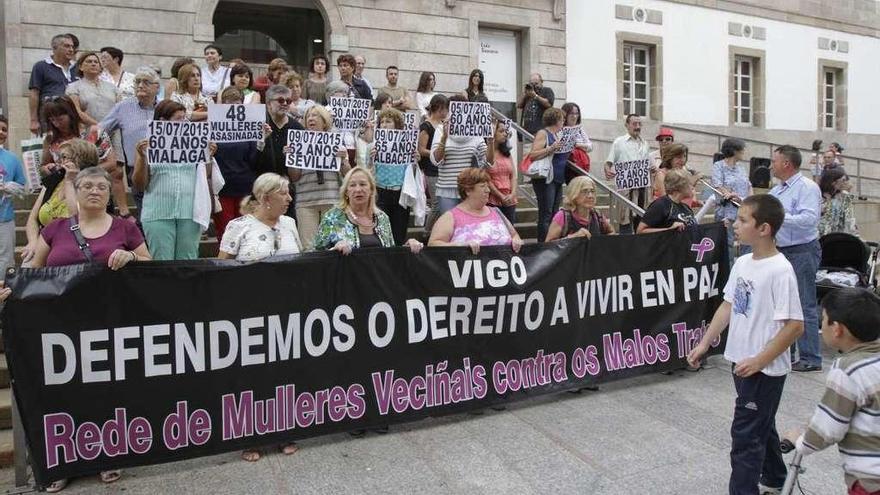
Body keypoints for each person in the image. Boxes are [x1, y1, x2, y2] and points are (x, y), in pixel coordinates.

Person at [26, 167, 148, 492]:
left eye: (101, 186)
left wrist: (131, 257)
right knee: (63, 392)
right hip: (60, 325)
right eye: (87, 186)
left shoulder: (126, 227)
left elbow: (151, 264)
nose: (94, 190)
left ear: (110, 194)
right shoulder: (54, 229)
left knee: (107, 389)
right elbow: (32, 271)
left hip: (109, 323)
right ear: (75, 192)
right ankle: (64, 459)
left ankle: (108, 452)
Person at [687, 194, 804, 495]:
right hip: (741, 363)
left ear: (763, 228)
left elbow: (794, 326)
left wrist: (760, 361)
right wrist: (704, 343)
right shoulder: (742, 263)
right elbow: (727, 306)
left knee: (745, 437)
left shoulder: (781, 270)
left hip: (762, 370)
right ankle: (777, 478)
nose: (735, 225)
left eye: (742, 220)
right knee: (760, 425)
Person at [783, 288, 880, 495]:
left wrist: (799, 440)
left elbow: (827, 429)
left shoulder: (847, 369)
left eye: (823, 318)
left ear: (837, 329)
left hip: (870, 481)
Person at [132, 101, 217, 260]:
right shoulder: (147, 145)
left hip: (189, 213)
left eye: (185, 118)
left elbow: (204, 177)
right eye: (179, 119)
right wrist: (142, 158)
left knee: (188, 261)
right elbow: (139, 184)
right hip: (158, 213)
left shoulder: (195, 143)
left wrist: (208, 156)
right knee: (162, 262)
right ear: (163, 122)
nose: (184, 123)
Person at [768, 145, 822, 373]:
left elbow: (809, 219)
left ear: (786, 164)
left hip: (802, 250)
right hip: (781, 251)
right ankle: (785, 352)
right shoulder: (776, 191)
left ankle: (811, 357)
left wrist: (779, 216)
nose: (771, 165)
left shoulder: (807, 188)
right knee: (781, 304)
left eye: (774, 161)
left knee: (804, 303)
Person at [22, 139, 99, 264]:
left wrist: (70, 181)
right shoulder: (54, 181)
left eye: (64, 157)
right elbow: (32, 219)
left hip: (75, 245)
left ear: (80, 159)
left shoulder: (92, 185)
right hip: (45, 244)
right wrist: (33, 242)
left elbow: (78, 218)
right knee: (27, 266)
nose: (59, 161)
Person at [99, 66, 161, 220]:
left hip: (164, 169)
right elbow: (100, 130)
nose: (140, 85)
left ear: (157, 87)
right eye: (137, 82)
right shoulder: (123, 107)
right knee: (145, 214)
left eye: (146, 82)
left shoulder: (166, 107)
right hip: (137, 168)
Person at [313, 167, 423, 253]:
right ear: (346, 192)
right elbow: (316, 255)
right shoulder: (332, 218)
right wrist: (334, 250)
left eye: (363, 184)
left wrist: (407, 247)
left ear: (371, 189)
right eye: (352, 185)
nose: (358, 189)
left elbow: (390, 255)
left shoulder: (382, 218)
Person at [290, 105, 352, 250]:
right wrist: (291, 157)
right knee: (308, 248)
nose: (311, 118)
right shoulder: (298, 142)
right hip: (306, 202)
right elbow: (294, 177)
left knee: (335, 245)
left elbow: (347, 175)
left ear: (324, 121)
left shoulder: (336, 142)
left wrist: (343, 159)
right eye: (308, 116)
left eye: (315, 115)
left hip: (332, 200)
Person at [428, 168, 523, 254]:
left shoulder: (496, 211)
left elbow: (514, 235)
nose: (488, 190)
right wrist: (459, 245)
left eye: (488, 186)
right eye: (483, 186)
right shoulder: (450, 217)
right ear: (468, 190)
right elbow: (433, 244)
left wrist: (516, 240)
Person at [429, 95, 494, 216]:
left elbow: (488, 162)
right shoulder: (440, 129)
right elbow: (435, 160)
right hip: (447, 191)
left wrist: (490, 141)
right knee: (450, 226)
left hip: (469, 191)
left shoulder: (476, 132)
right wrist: (444, 137)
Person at [219, 172, 302, 261]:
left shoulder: (289, 222)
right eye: (283, 193)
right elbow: (222, 266)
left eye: (289, 193)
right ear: (266, 198)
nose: (290, 198)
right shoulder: (238, 225)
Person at [212, 87, 260, 241]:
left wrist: (261, 142)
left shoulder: (249, 130)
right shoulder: (213, 130)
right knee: (226, 233)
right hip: (222, 188)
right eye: (229, 104)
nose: (233, 108)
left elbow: (254, 160)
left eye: (237, 104)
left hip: (245, 187)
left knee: (247, 232)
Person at [257, 85, 304, 218]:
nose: (284, 104)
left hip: (286, 190)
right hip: (261, 188)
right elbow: (251, 159)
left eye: (288, 101)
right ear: (268, 103)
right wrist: (261, 141)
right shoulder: (258, 125)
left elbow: (298, 171)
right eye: (280, 100)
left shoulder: (297, 129)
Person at [604, 114, 651, 234]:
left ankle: (639, 245)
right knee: (624, 218)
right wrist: (607, 169)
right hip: (625, 187)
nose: (638, 126)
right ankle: (626, 245)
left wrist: (652, 168)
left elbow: (648, 163)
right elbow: (609, 161)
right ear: (627, 125)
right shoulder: (619, 142)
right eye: (634, 124)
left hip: (641, 187)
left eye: (640, 124)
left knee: (641, 217)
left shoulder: (645, 143)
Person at [529, 107, 568, 242]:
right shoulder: (543, 133)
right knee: (546, 212)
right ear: (556, 120)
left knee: (554, 212)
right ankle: (543, 244)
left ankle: (551, 241)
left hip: (557, 178)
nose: (563, 122)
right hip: (545, 179)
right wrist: (551, 148)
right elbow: (533, 154)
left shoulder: (559, 135)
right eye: (562, 119)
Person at [712, 137, 753, 265]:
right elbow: (717, 185)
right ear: (734, 150)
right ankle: (728, 273)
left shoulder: (741, 167)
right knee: (727, 244)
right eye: (742, 149)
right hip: (726, 211)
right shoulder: (719, 166)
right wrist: (728, 194)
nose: (744, 152)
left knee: (747, 241)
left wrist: (750, 200)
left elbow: (748, 185)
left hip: (742, 209)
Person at [29, 34, 77, 135]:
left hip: (73, 118)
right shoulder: (41, 66)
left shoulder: (78, 68)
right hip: (50, 118)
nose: (71, 49)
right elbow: (34, 93)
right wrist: (33, 120)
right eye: (67, 46)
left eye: (72, 46)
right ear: (55, 48)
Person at [545, 176, 614, 241]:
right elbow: (549, 245)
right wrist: (574, 237)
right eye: (584, 191)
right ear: (574, 194)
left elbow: (611, 233)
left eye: (592, 191)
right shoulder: (562, 216)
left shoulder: (597, 216)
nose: (590, 196)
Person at [0, 115, 26, 276]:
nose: (1, 132)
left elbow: (22, 188)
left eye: (4, 129)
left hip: (4, 219)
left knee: (6, 260)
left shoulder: (12, 159)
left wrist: (9, 188)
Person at [419, 94, 448, 231]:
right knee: (436, 203)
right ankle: (427, 231)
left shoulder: (443, 125)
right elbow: (421, 149)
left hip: (442, 168)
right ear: (439, 108)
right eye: (445, 108)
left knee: (441, 203)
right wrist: (436, 151)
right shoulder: (426, 126)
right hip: (430, 169)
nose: (447, 112)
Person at [637, 169, 697, 234]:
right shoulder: (661, 205)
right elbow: (640, 231)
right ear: (678, 187)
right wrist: (668, 229)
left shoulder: (686, 207)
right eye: (689, 184)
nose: (692, 187)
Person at [486, 121, 517, 224]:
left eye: (505, 131)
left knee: (510, 231)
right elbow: (486, 178)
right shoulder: (486, 152)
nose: (505, 134)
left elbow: (513, 175)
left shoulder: (506, 152)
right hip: (492, 199)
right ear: (493, 133)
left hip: (509, 199)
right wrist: (500, 196)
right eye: (501, 131)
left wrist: (512, 194)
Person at [818, 167, 858, 236]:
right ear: (833, 182)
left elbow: (850, 219)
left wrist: (855, 237)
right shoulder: (817, 195)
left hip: (836, 238)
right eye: (843, 180)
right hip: (818, 236)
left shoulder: (845, 197)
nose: (846, 183)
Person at [560, 102, 593, 182]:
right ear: (565, 115)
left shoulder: (580, 129)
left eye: (576, 114)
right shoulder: (560, 129)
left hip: (582, 163)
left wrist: (577, 145)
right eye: (571, 114)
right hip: (568, 164)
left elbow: (590, 146)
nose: (574, 116)